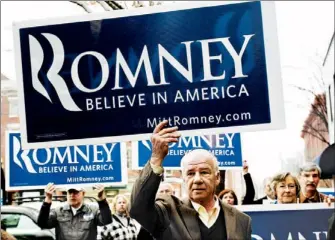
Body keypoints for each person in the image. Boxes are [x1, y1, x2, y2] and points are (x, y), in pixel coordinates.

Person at [130, 120, 252, 240]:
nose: (197, 179)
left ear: (217, 177)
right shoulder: (168, 212)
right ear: (184, 179)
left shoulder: (241, 220)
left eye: (204, 172)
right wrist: (156, 157)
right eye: (190, 173)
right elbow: (137, 208)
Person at [37, 183, 112, 240]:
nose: (72, 195)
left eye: (76, 192)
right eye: (70, 192)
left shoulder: (93, 210)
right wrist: (47, 200)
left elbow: (106, 220)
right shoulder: (58, 211)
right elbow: (42, 224)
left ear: (83, 193)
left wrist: (102, 199)